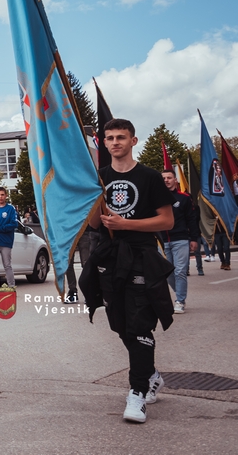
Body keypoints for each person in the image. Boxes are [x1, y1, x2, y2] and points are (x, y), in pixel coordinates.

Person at [79, 119, 174, 425]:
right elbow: (95, 224)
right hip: (109, 257)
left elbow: (167, 221)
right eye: (109, 138)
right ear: (104, 143)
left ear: (133, 141)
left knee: (139, 324)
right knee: (120, 324)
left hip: (141, 256)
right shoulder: (100, 177)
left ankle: (137, 392)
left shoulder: (149, 177)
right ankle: (151, 375)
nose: (115, 142)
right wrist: (93, 202)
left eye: (121, 137)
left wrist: (126, 224)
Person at [161, 170, 199, 313]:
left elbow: (192, 219)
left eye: (169, 178)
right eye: (163, 178)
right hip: (163, 241)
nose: (166, 180)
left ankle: (180, 301)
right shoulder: (156, 197)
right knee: (167, 272)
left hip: (180, 239)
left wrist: (194, 238)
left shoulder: (184, 198)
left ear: (175, 180)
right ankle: (180, 292)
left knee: (180, 271)